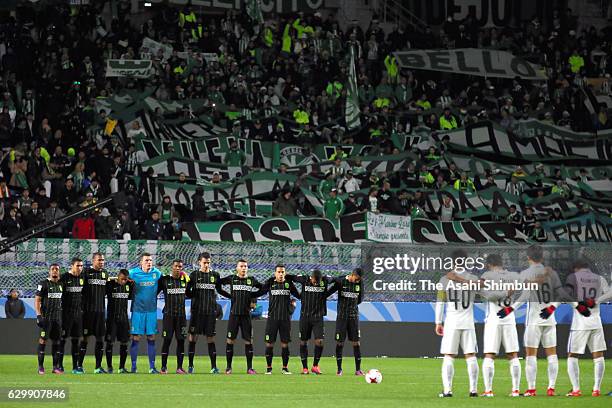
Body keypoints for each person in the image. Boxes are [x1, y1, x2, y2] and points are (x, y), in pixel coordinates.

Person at [497, 245, 564, 397]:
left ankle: (531, 389)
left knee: (531, 354)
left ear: (528, 257)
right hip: (549, 318)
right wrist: (552, 308)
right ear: (542, 257)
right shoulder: (551, 273)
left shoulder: (527, 273)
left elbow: (524, 296)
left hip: (534, 319)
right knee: (552, 354)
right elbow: (561, 294)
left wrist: (510, 308)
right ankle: (551, 388)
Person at [435, 250, 479, 397]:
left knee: (449, 356)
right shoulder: (473, 278)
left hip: (452, 322)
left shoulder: (444, 280)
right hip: (468, 322)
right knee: (471, 356)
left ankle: (447, 391)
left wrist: (438, 322)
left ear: (452, 261)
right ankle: (473, 390)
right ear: (465, 261)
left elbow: (440, 303)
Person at [479, 255, 522, 397]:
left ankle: (488, 390)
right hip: (509, 318)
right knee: (513, 355)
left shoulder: (487, 275)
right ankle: (515, 390)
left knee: (490, 355)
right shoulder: (512, 276)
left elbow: (485, 293)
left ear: (490, 264)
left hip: (494, 320)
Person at [565, 259, 608, 397]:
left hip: (580, 323)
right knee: (598, 355)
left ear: (576, 268)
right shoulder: (599, 278)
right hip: (596, 321)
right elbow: (609, 293)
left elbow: (565, 295)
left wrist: (577, 305)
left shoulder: (574, 278)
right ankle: (596, 389)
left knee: (572, 355)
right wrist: (596, 301)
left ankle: (576, 389)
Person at [286, 269, 336, 375]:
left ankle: (315, 366)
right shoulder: (304, 279)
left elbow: (337, 279)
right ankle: (305, 368)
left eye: (318, 282)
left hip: (318, 317)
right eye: (314, 281)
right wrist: (297, 293)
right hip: (305, 316)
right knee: (303, 341)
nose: (316, 283)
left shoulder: (325, 280)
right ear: (311, 278)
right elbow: (291, 277)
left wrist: (347, 277)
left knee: (320, 341)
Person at [218, 259, 262, 374]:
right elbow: (218, 283)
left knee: (249, 341)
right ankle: (228, 367)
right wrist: (228, 295)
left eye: (245, 266)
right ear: (237, 268)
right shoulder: (232, 278)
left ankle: (249, 368)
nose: (244, 268)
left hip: (246, 315)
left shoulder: (251, 280)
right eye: (241, 266)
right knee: (230, 340)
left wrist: (253, 295)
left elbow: (262, 288)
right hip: (234, 315)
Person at [255, 264, 300, 375]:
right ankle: (269, 368)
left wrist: (294, 305)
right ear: (275, 273)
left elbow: (298, 296)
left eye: (282, 272)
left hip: (285, 319)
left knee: (285, 344)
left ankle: (285, 368)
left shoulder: (289, 284)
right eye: (279, 272)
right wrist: (248, 294)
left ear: (285, 273)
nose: (280, 274)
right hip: (272, 319)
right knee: (269, 344)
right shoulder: (270, 283)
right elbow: (260, 292)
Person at [186, 252, 224, 374]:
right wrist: (193, 295)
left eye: (208, 262)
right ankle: (190, 366)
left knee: (211, 339)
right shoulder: (194, 275)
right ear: (199, 262)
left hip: (210, 313)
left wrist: (231, 296)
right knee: (192, 338)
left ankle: (213, 367)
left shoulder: (215, 275)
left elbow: (219, 290)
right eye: (204, 262)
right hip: (197, 313)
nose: (207, 265)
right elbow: (188, 292)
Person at [129, 253, 163, 374]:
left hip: (151, 311)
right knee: (136, 337)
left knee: (151, 337)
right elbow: (121, 279)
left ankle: (152, 367)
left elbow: (165, 283)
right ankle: (133, 367)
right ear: (141, 262)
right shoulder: (133, 273)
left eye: (150, 260)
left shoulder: (157, 273)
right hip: (138, 311)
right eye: (146, 260)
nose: (149, 262)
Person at [327, 268, 364, 376]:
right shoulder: (341, 281)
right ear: (352, 275)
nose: (357, 281)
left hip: (353, 317)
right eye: (356, 279)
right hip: (342, 317)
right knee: (340, 342)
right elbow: (329, 292)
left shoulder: (360, 283)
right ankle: (339, 369)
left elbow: (361, 298)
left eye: (359, 280)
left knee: (356, 342)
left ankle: (358, 370)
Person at [157, 260, 190, 374]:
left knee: (181, 341)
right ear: (172, 267)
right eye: (176, 266)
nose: (178, 268)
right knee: (167, 340)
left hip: (182, 317)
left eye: (180, 266)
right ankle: (163, 367)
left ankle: (179, 368)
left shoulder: (185, 280)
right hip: (168, 316)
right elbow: (154, 292)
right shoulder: (164, 280)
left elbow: (191, 293)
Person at [79, 253, 109, 373]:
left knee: (100, 339)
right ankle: (79, 366)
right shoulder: (85, 273)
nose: (101, 262)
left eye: (103, 260)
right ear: (93, 261)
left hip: (100, 312)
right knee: (85, 339)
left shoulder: (104, 274)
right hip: (87, 312)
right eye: (99, 260)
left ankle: (98, 367)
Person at [35, 264, 63, 374]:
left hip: (58, 319)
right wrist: (38, 316)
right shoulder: (43, 284)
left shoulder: (61, 284)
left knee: (56, 342)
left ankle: (55, 367)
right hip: (46, 318)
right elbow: (37, 300)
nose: (55, 271)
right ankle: (40, 367)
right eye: (53, 269)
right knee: (43, 340)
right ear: (49, 272)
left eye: (57, 269)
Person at [58, 258, 84, 374]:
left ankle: (75, 367)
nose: (80, 268)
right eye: (78, 266)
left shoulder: (82, 278)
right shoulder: (64, 278)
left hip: (78, 315)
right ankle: (59, 366)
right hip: (66, 314)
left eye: (81, 266)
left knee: (75, 341)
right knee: (62, 340)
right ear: (72, 266)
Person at [105, 269, 133, 374]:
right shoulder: (110, 285)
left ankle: (122, 367)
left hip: (123, 319)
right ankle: (109, 367)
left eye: (126, 279)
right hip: (112, 319)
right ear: (118, 276)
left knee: (124, 343)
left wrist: (130, 282)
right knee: (110, 342)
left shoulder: (129, 286)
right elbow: (106, 282)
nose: (124, 281)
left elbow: (132, 290)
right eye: (122, 279)